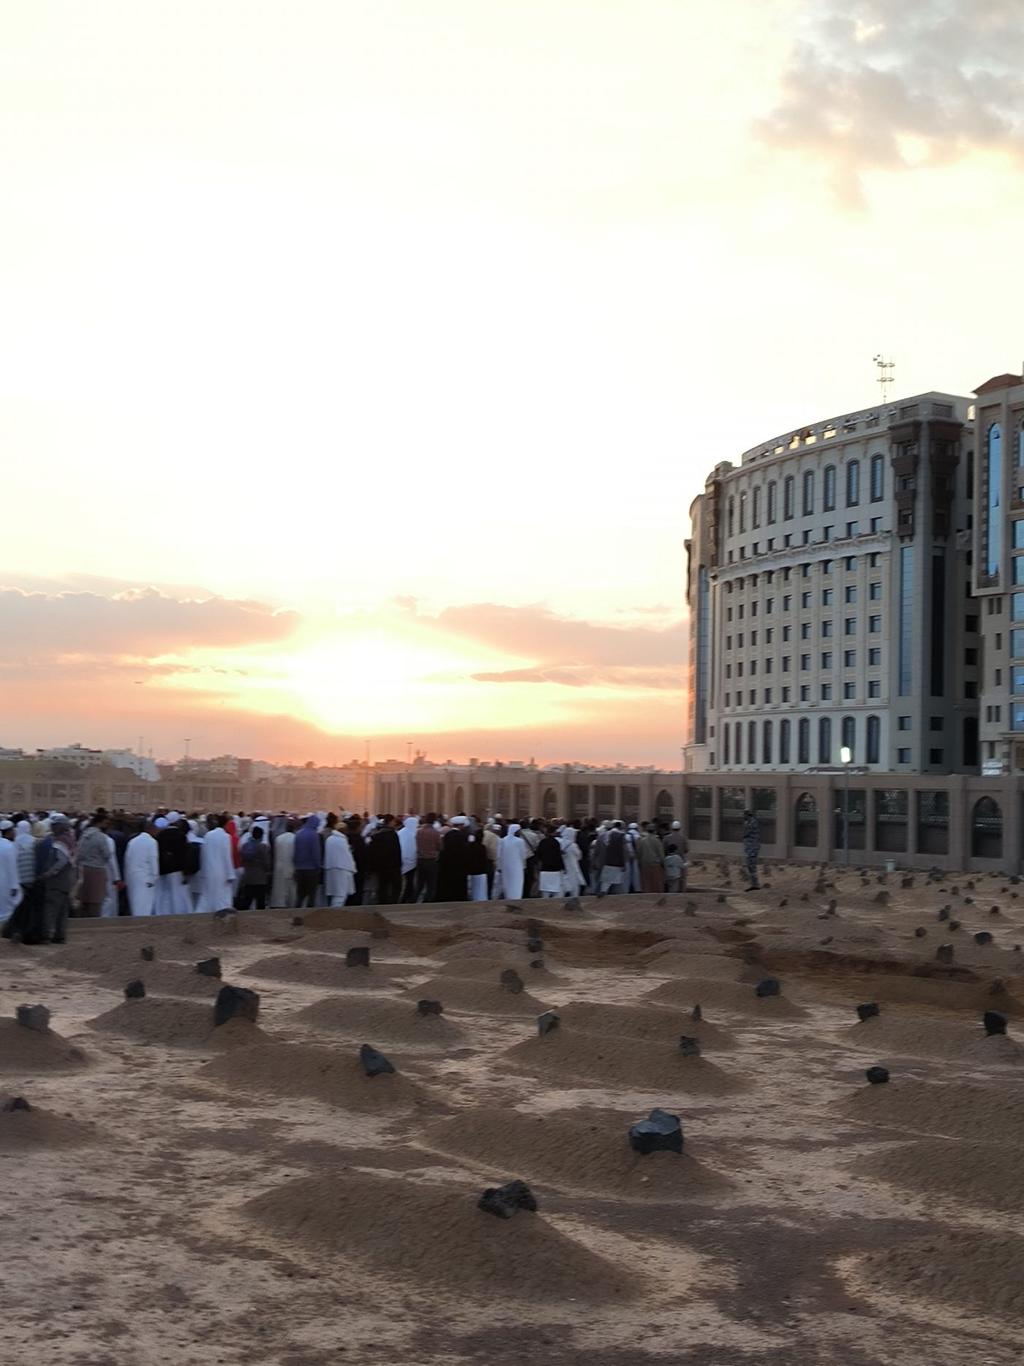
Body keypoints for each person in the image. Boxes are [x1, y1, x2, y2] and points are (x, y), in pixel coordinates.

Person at [40, 816, 76, 942]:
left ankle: (47, 935)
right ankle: (60, 936)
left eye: (54, 826)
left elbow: (61, 861)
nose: (52, 828)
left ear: (60, 827)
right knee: (62, 909)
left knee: (51, 908)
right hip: (67, 880)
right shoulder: (70, 840)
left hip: (57, 881)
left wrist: (49, 873)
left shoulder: (60, 842)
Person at [198, 815, 235, 913]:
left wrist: (203, 869)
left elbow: (203, 853)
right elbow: (226, 855)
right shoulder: (226, 837)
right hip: (221, 872)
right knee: (221, 895)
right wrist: (230, 874)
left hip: (209, 869)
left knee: (208, 893)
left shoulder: (208, 835)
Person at [76, 813, 110, 918]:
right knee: (95, 901)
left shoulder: (84, 835)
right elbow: (107, 854)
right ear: (100, 823)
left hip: (84, 869)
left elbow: (79, 852)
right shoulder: (100, 837)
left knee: (84, 900)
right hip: (97, 870)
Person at [125, 819, 161, 916]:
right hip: (146, 878)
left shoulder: (132, 841)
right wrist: (155, 877)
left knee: (135, 902)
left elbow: (127, 860)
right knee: (145, 904)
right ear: (150, 829)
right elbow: (153, 859)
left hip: (132, 877)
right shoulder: (152, 842)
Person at [366, 815, 402, 906]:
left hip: (381, 866)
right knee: (395, 885)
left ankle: (383, 902)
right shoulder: (393, 834)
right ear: (390, 822)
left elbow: (372, 852)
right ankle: (393, 903)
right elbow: (397, 851)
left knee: (383, 886)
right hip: (393, 866)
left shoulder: (377, 835)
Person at [237, 825, 272, 909]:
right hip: (260, 879)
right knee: (260, 903)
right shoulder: (262, 847)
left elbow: (242, 860)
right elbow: (266, 863)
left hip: (248, 878)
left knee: (247, 902)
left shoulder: (245, 846)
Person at [436, 816, 471, 902]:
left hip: (447, 865)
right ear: (460, 825)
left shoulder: (448, 835)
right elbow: (465, 852)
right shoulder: (462, 836)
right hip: (459, 866)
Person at [293, 814, 323, 908]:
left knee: (300, 894)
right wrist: (318, 866)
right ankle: (309, 912)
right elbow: (315, 852)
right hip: (311, 869)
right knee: (311, 894)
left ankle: (297, 911)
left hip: (299, 868)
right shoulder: (314, 835)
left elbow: (295, 851)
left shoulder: (299, 833)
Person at [595, 820, 630, 898]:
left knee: (606, 881)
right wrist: (623, 863)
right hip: (617, 862)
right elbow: (622, 851)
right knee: (618, 881)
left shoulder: (602, 835)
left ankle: (603, 892)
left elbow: (597, 851)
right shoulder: (621, 836)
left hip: (607, 862)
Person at [323, 823, 356, 906]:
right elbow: (346, 855)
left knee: (336, 893)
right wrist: (352, 867)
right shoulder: (341, 840)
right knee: (340, 894)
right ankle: (335, 911)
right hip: (342, 869)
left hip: (332, 868)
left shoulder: (329, 839)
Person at [414, 814, 442, 902]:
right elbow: (440, 847)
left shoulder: (419, 831)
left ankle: (413, 901)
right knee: (431, 885)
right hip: (431, 861)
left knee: (419, 884)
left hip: (420, 860)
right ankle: (426, 902)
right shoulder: (436, 833)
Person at [270, 818, 297, 907]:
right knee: (291, 890)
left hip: (279, 867)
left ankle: (279, 904)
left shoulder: (278, 838)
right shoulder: (295, 838)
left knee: (280, 889)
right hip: (291, 866)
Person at [0, 822, 22, 927]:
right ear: (9, 831)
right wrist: (14, 885)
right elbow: (13, 867)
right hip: (7, 882)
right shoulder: (9, 846)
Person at [499, 823, 528, 901]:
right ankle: (516, 898)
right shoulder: (520, 841)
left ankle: (508, 898)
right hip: (517, 866)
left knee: (507, 883)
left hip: (505, 866)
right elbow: (523, 855)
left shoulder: (502, 840)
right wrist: (524, 866)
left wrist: (500, 866)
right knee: (517, 883)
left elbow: (499, 854)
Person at [535, 825, 565, 898]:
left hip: (544, 868)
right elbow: (558, 856)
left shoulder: (542, 842)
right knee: (556, 889)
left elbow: (538, 855)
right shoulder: (556, 842)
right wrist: (562, 867)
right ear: (554, 832)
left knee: (545, 890)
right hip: (555, 869)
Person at [636, 824, 666, 895]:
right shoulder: (657, 841)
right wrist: (663, 864)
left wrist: (639, 864)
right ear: (654, 831)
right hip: (655, 865)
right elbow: (661, 854)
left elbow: (638, 854)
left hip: (645, 865)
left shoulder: (642, 841)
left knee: (646, 884)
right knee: (656, 884)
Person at [558, 824, 584, 897]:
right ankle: (574, 898)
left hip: (562, 867)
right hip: (572, 867)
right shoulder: (573, 845)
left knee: (562, 885)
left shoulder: (559, 842)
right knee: (574, 885)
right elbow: (579, 856)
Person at [398, 816, 419, 902]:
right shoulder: (416, 833)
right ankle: (407, 897)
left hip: (402, 859)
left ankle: (407, 896)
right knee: (410, 880)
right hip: (412, 860)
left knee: (408, 880)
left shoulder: (400, 832)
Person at [742, 810, 761, 890]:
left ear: (747, 815)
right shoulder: (749, 822)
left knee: (751, 865)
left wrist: (745, 825)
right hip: (750, 847)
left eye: (744, 815)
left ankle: (755, 884)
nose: (743, 817)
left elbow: (746, 833)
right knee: (750, 866)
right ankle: (754, 884)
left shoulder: (752, 823)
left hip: (752, 847)